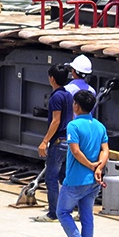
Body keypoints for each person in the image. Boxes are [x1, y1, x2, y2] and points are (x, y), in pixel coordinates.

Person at [56, 91, 109, 237]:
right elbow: (105, 150)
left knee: (62, 212)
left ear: (76, 106)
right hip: (93, 181)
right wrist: (98, 167)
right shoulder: (100, 126)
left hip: (75, 180)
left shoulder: (73, 125)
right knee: (87, 217)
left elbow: (76, 151)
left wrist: (91, 165)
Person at [35, 63, 74, 223]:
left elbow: (56, 121)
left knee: (51, 177)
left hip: (58, 142)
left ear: (52, 78)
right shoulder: (68, 95)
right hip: (68, 141)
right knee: (64, 177)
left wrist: (44, 141)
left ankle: (53, 213)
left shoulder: (56, 97)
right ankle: (67, 209)